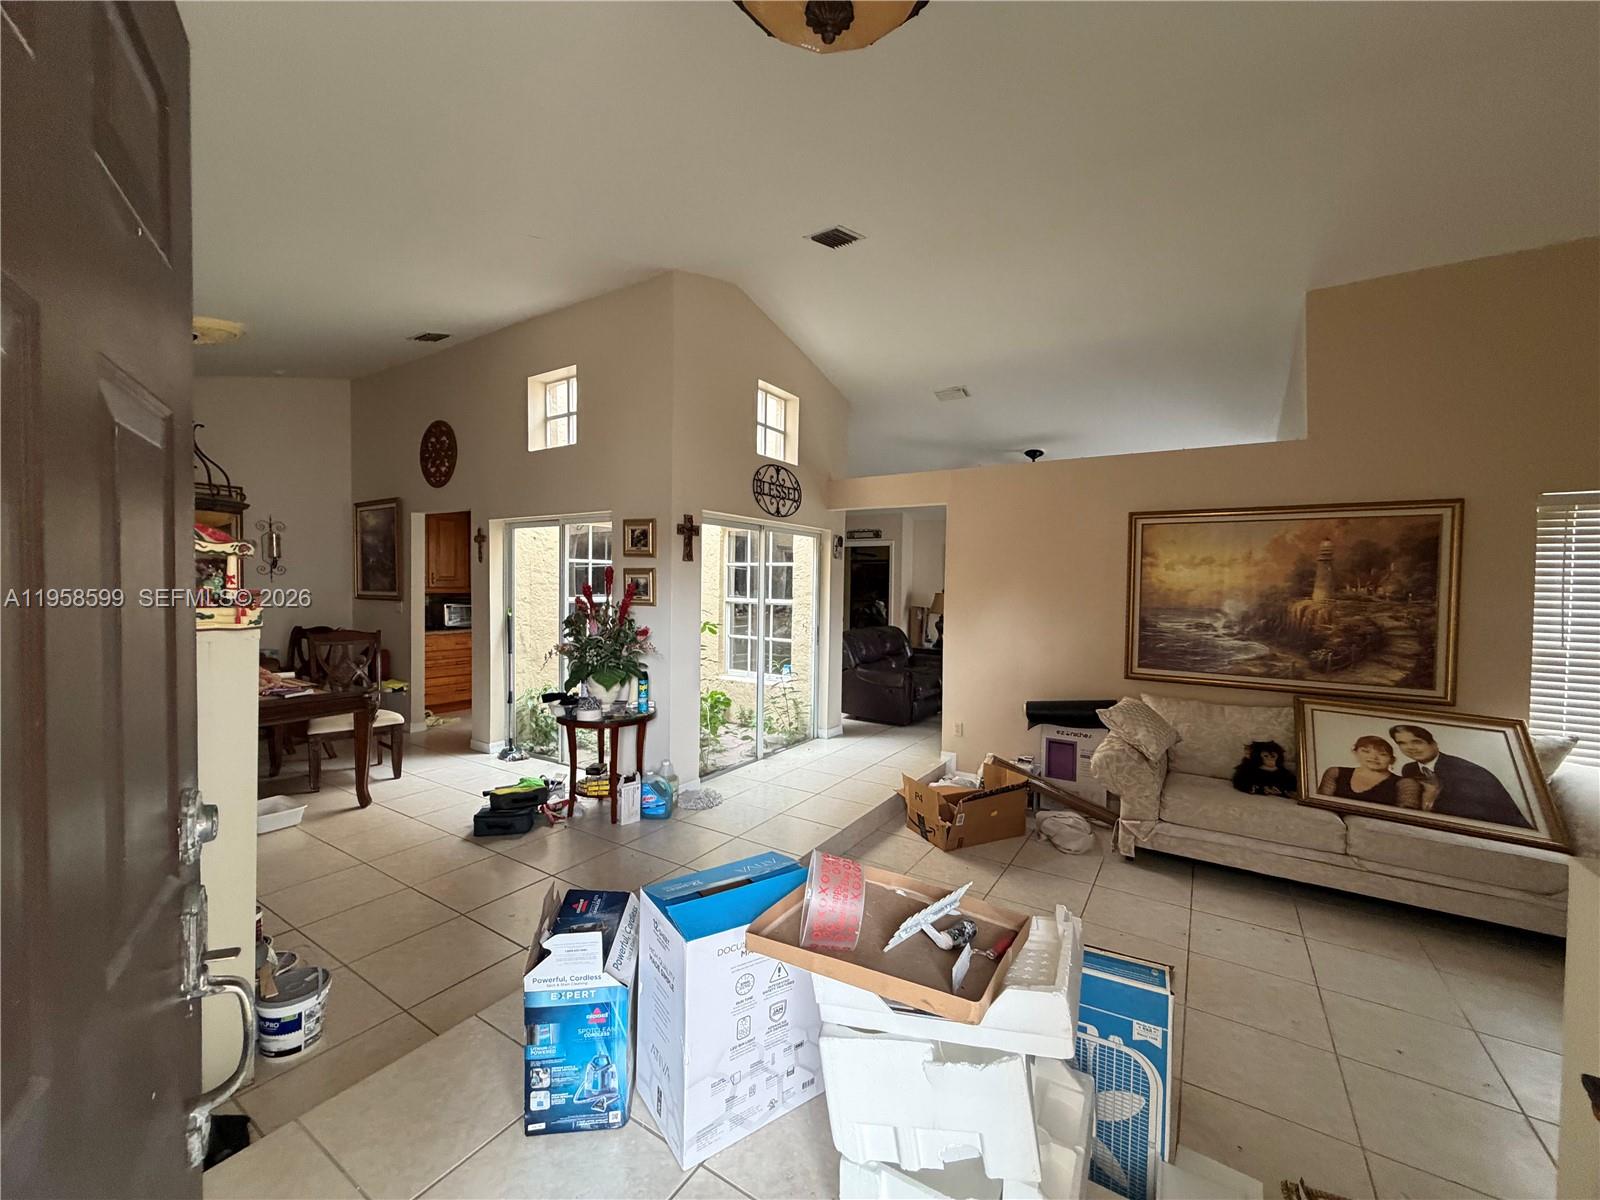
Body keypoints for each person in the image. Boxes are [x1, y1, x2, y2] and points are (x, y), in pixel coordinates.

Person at [1388, 724, 1533, 828]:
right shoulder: (1409, 769)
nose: (1410, 748)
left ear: (1434, 744)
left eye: (1417, 742)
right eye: (1402, 743)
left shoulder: (1467, 771)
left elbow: (1475, 815)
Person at [1318, 736, 1421, 808]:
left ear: (1392, 759)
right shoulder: (1335, 773)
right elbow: (1321, 808)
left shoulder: (1406, 784)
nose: (1373, 757)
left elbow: (1404, 819)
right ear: (1355, 753)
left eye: (1382, 754)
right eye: (1366, 751)